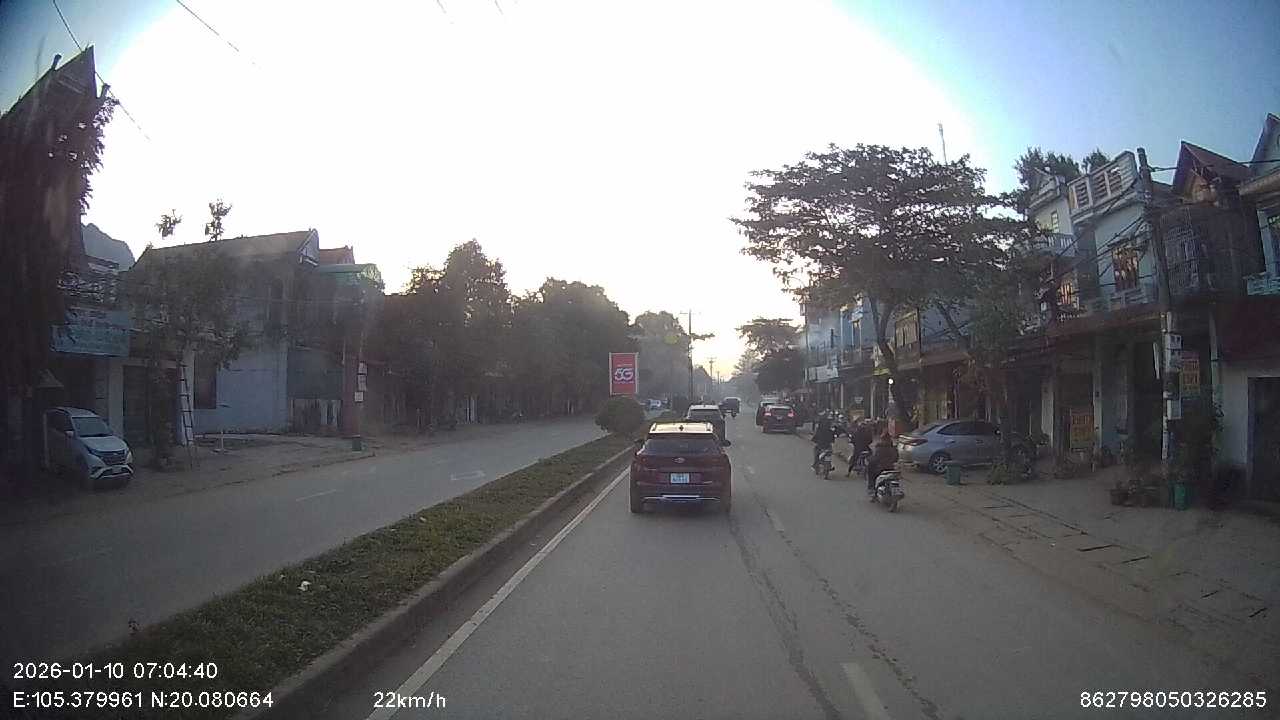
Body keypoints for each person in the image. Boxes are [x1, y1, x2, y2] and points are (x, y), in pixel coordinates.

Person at [865, 431, 899, 496]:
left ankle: (871, 488)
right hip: (891, 468)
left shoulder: (880, 447)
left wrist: (869, 459)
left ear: (882, 439)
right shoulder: (893, 448)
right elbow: (896, 458)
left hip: (881, 468)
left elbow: (876, 458)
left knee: (871, 471)